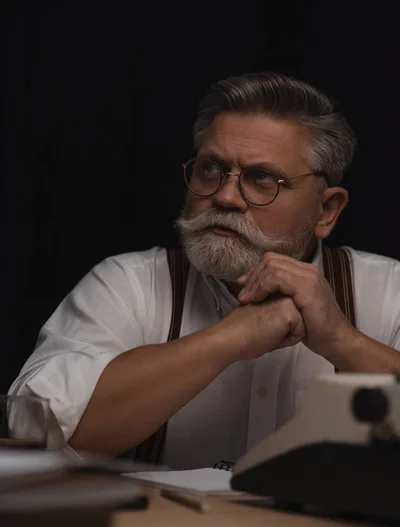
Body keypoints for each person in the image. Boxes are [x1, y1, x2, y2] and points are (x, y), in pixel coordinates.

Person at [9, 72, 400, 468]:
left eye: (262, 178)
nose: (226, 196)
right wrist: (232, 336)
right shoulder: (128, 284)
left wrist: (342, 341)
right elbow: (37, 435)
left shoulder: (388, 291)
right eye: (210, 169)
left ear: (326, 210)